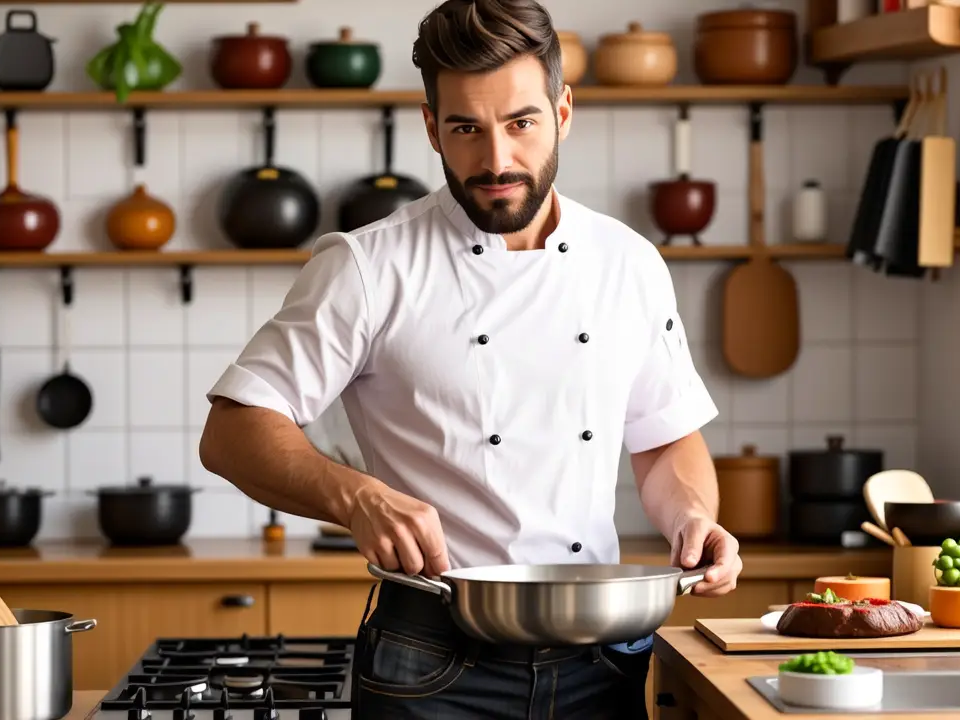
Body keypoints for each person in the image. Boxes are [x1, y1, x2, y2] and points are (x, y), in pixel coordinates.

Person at [198, 0, 743, 716]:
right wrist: (356, 498)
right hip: (433, 659)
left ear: (564, 111)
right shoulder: (369, 266)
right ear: (431, 127)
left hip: (601, 653)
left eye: (521, 123)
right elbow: (233, 432)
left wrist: (693, 519)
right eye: (466, 128)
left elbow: (665, 440)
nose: (496, 161)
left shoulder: (628, 263)